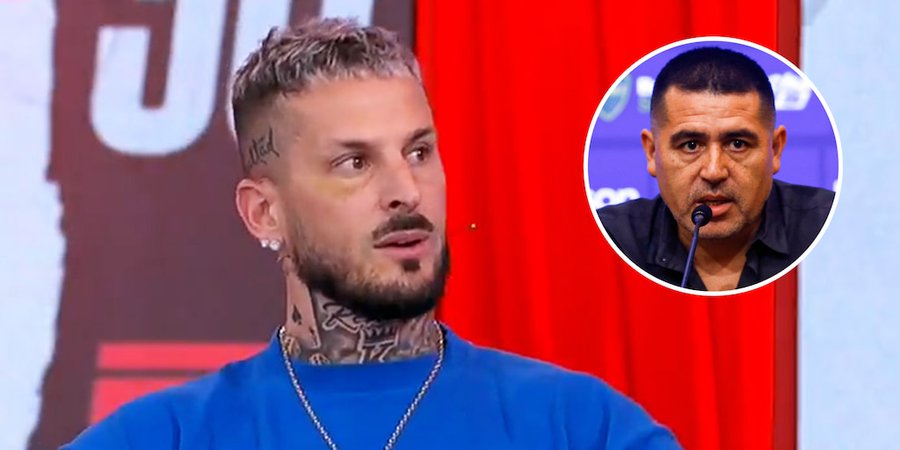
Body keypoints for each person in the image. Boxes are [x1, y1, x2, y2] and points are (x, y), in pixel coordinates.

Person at [63, 18, 681, 450]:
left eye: (418, 152)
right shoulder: (165, 437)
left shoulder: (580, 429)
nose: (406, 191)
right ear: (263, 213)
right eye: (354, 162)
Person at [598, 46, 835, 292]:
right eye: (691, 145)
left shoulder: (830, 228)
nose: (714, 172)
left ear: (775, 150)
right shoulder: (608, 241)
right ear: (652, 153)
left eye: (737, 144)